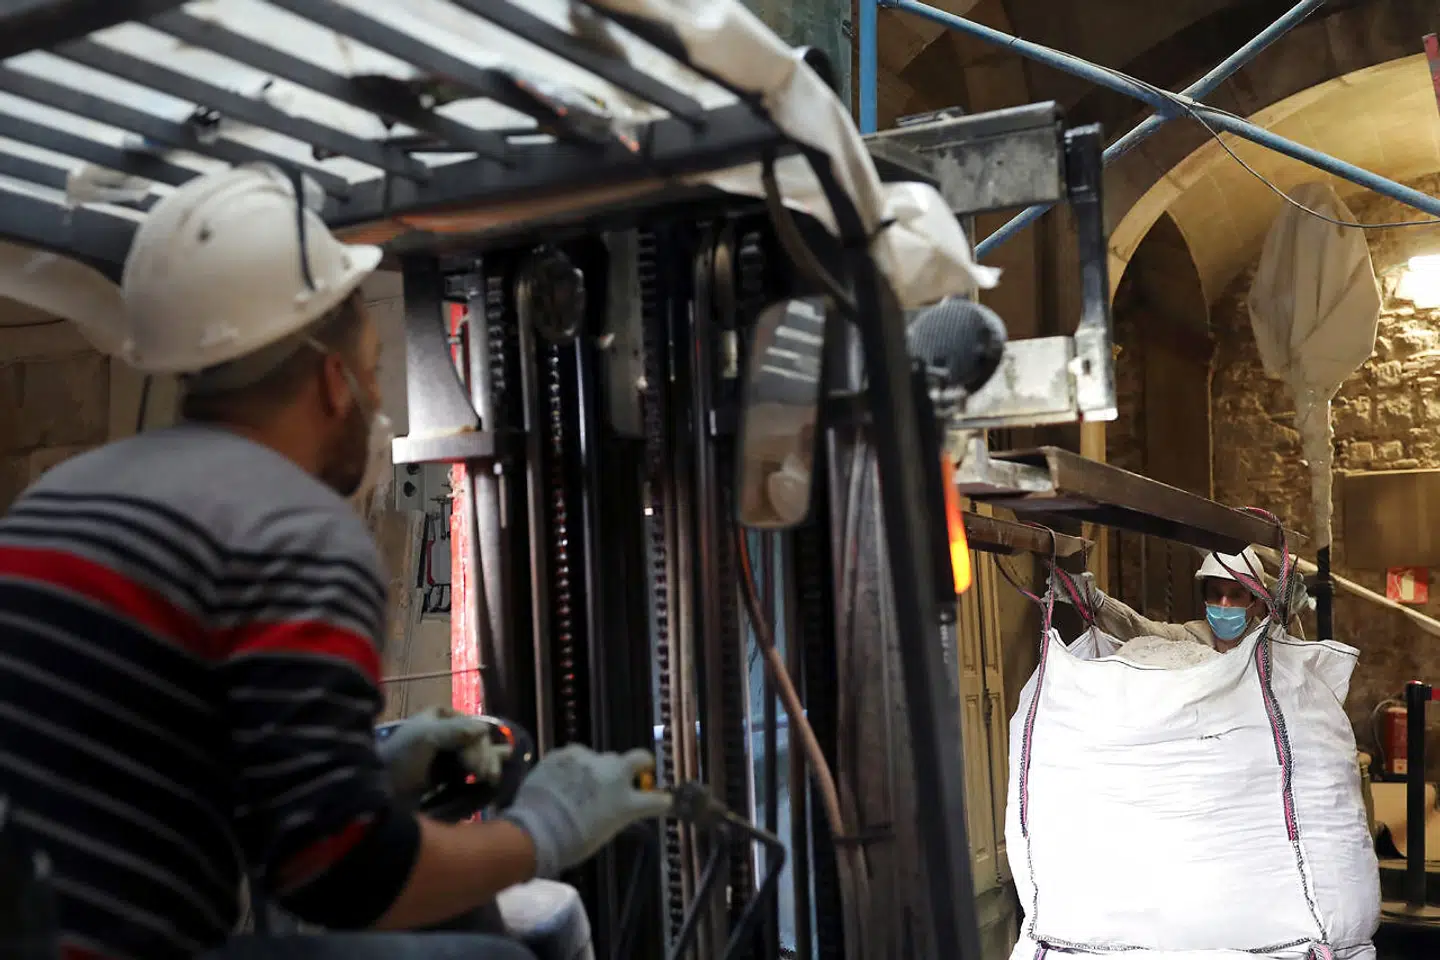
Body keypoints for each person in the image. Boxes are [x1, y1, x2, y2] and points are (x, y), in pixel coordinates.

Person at [0, 164, 670, 960]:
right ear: (332, 382)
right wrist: (547, 827)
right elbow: (346, 879)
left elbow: (136, 763)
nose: (379, 403)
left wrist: (373, 764)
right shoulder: (294, 531)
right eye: (375, 369)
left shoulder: (61, 497)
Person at [1051, 546, 1302, 654]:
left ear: (1256, 602)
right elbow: (1139, 628)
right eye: (1216, 594)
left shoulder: (1268, 645)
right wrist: (1097, 602)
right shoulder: (1189, 637)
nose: (1224, 604)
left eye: (1235, 595)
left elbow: (1296, 666)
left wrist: (1288, 619)